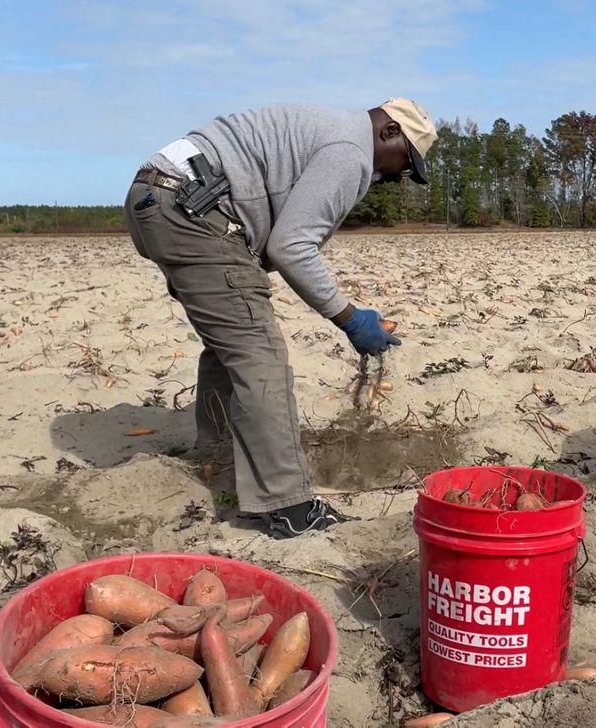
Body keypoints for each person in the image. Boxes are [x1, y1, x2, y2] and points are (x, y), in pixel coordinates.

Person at [123, 99, 438, 538]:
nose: (395, 177)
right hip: (191, 206)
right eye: (404, 163)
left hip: (158, 197)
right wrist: (351, 320)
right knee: (260, 354)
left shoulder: (328, 128)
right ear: (388, 133)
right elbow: (290, 246)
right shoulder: (351, 150)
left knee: (231, 339)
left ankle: (217, 455)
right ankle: (289, 508)